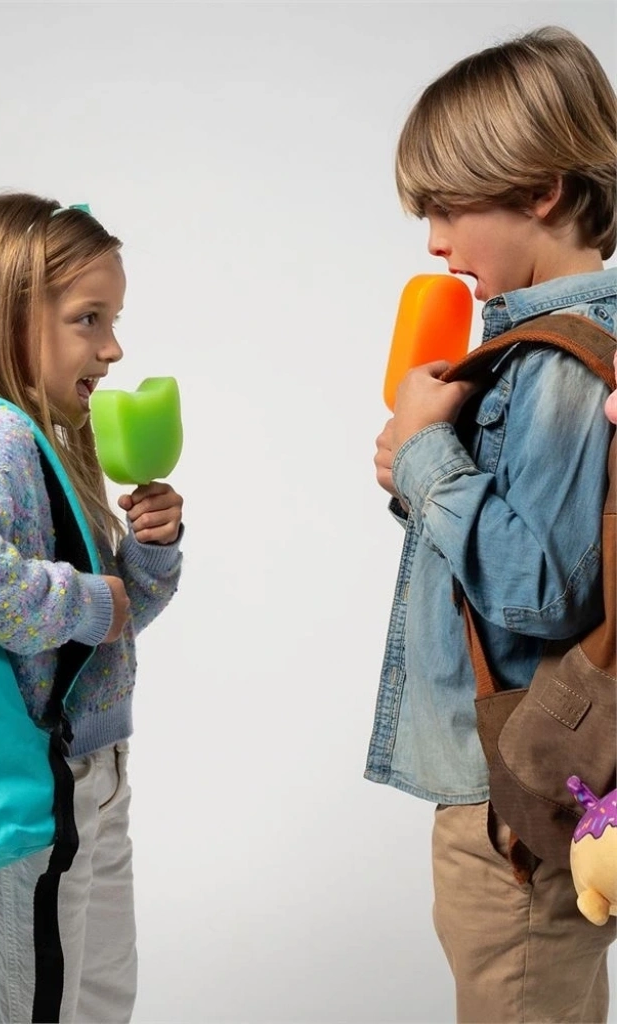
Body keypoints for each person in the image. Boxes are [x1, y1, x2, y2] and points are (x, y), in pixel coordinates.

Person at [0, 193, 184, 1023]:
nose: (113, 348)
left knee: (91, 996)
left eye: (113, 320)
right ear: (7, 320)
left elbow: (105, 627)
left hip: (89, 769)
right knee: (20, 1002)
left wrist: (148, 556)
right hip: (33, 781)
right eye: (89, 319)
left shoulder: (50, 439)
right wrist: (87, 599)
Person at [365, 26, 617, 1023]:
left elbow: (539, 590)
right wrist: (420, 468)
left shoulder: (560, 365)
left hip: (513, 797)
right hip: (541, 784)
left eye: (446, 208)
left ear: (543, 191)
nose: (433, 242)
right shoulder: (546, 350)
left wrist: (429, 458)